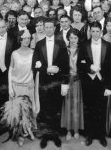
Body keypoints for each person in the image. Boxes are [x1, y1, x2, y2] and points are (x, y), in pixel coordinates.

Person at [32, 18, 69, 148]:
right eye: (45, 27)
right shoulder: (39, 44)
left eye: (50, 27)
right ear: (43, 28)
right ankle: (46, 135)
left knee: (56, 108)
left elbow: (66, 65)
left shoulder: (61, 43)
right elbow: (34, 64)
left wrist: (65, 83)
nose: (48, 29)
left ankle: (55, 135)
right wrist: (45, 69)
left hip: (57, 82)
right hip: (44, 82)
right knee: (45, 108)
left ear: (54, 28)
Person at [78, 21, 111, 147]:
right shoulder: (84, 45)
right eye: (92, 31)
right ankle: (89, 134)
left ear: (101, 31)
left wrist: (109, 86)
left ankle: (101, 135)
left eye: (97, 31)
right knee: (89, 109)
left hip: (102, 82)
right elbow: (79, 64)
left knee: (102, 109)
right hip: (88, 82)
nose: (95, 33)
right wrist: (89, 67)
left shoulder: (108, 46)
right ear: (90, 32)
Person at [2, 29, 38, 147]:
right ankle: (21, 135)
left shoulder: (33, 52)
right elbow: (10, 71)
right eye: (24, 38)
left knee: (28, 112)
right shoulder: (14, 53)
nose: (27, 40)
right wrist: (10, 88)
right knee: (19, 113)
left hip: (28, 86)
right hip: (16, 86)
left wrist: (33, 82)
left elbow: (35, 70)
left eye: (28, 38)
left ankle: (29, 130)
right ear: (20, 39)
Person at [61, 29, 84, 141]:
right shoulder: (64, 50)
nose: (73, 40)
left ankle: (76, 129)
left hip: (78, 81)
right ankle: (68, 130)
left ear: (78, 38)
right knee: (68, 105)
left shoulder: (82, 50)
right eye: (71, 38)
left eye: (75, 37)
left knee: (77, 105)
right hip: (67, 81)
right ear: (68, 38)